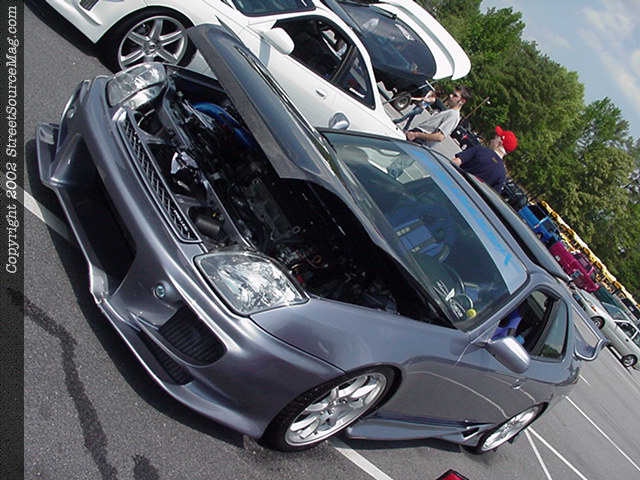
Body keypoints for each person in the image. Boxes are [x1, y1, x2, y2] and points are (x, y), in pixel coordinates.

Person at [451, 126, 517, 193]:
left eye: (495, 137)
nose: (492, 140)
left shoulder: (481, 150)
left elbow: (455, 162)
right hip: (470, 198)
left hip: (454, 186)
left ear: (499, 143)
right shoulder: (502, 173)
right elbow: (493, 195)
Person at [404, 85, 472, 147]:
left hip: (419, 140)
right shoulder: (450, 111)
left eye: (455, 95)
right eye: (452, 93)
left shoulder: (453, 115)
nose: (450, 96)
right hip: (417, 136)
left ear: (462, 101)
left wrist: (416, 135)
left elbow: (440, 137)